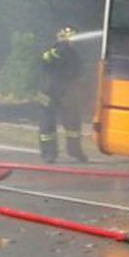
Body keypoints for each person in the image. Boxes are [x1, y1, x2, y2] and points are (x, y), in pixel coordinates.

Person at [37, 28, 88, 163]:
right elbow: (44, 60)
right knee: (47, 127)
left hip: (66, 92)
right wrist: (57, 52)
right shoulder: (53, 50)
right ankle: (49, 153)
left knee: (73, 125)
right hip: (48, 93)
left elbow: (78, 71)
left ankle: (74, 151)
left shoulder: (73, 53)